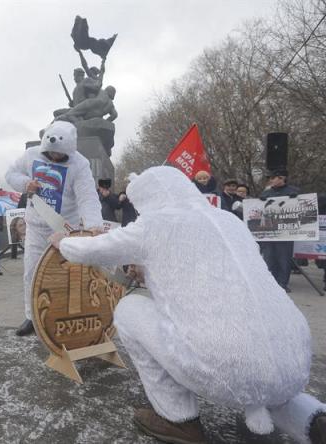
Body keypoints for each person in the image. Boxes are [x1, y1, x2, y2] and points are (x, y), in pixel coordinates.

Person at [50, 166, 326, 444]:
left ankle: (177, 418)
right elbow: (208, 270)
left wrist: (63, 241)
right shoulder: (229, 221)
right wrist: (148, 271)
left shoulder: (154, 224)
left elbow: (89, 250)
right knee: (270, 378)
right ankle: (312, 417)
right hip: (295, 354)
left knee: (129, 309)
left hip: (224, 365)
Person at [5, 120, 103, 337]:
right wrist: (25, 184)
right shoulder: (30, 155)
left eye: (61, 156)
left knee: (67, 276)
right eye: (51, 154)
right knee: (31, 272)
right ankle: (32, 317)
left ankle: (64, 315)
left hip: (66, 229)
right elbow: (10, 174)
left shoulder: (80, 164)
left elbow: (87, 197)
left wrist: (94, 226)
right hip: (36, 228)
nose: (56, 158)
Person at [260, 169, 300, 292]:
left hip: (285, 233)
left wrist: (296, 198)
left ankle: (282, 283)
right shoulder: (266, 193)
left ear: (282, 178)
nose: (271, 180)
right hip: (269, 233)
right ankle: (270, 284)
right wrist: (259, 201)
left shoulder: (294, 191)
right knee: (269, 259)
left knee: (284, 259)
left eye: (273, 178)